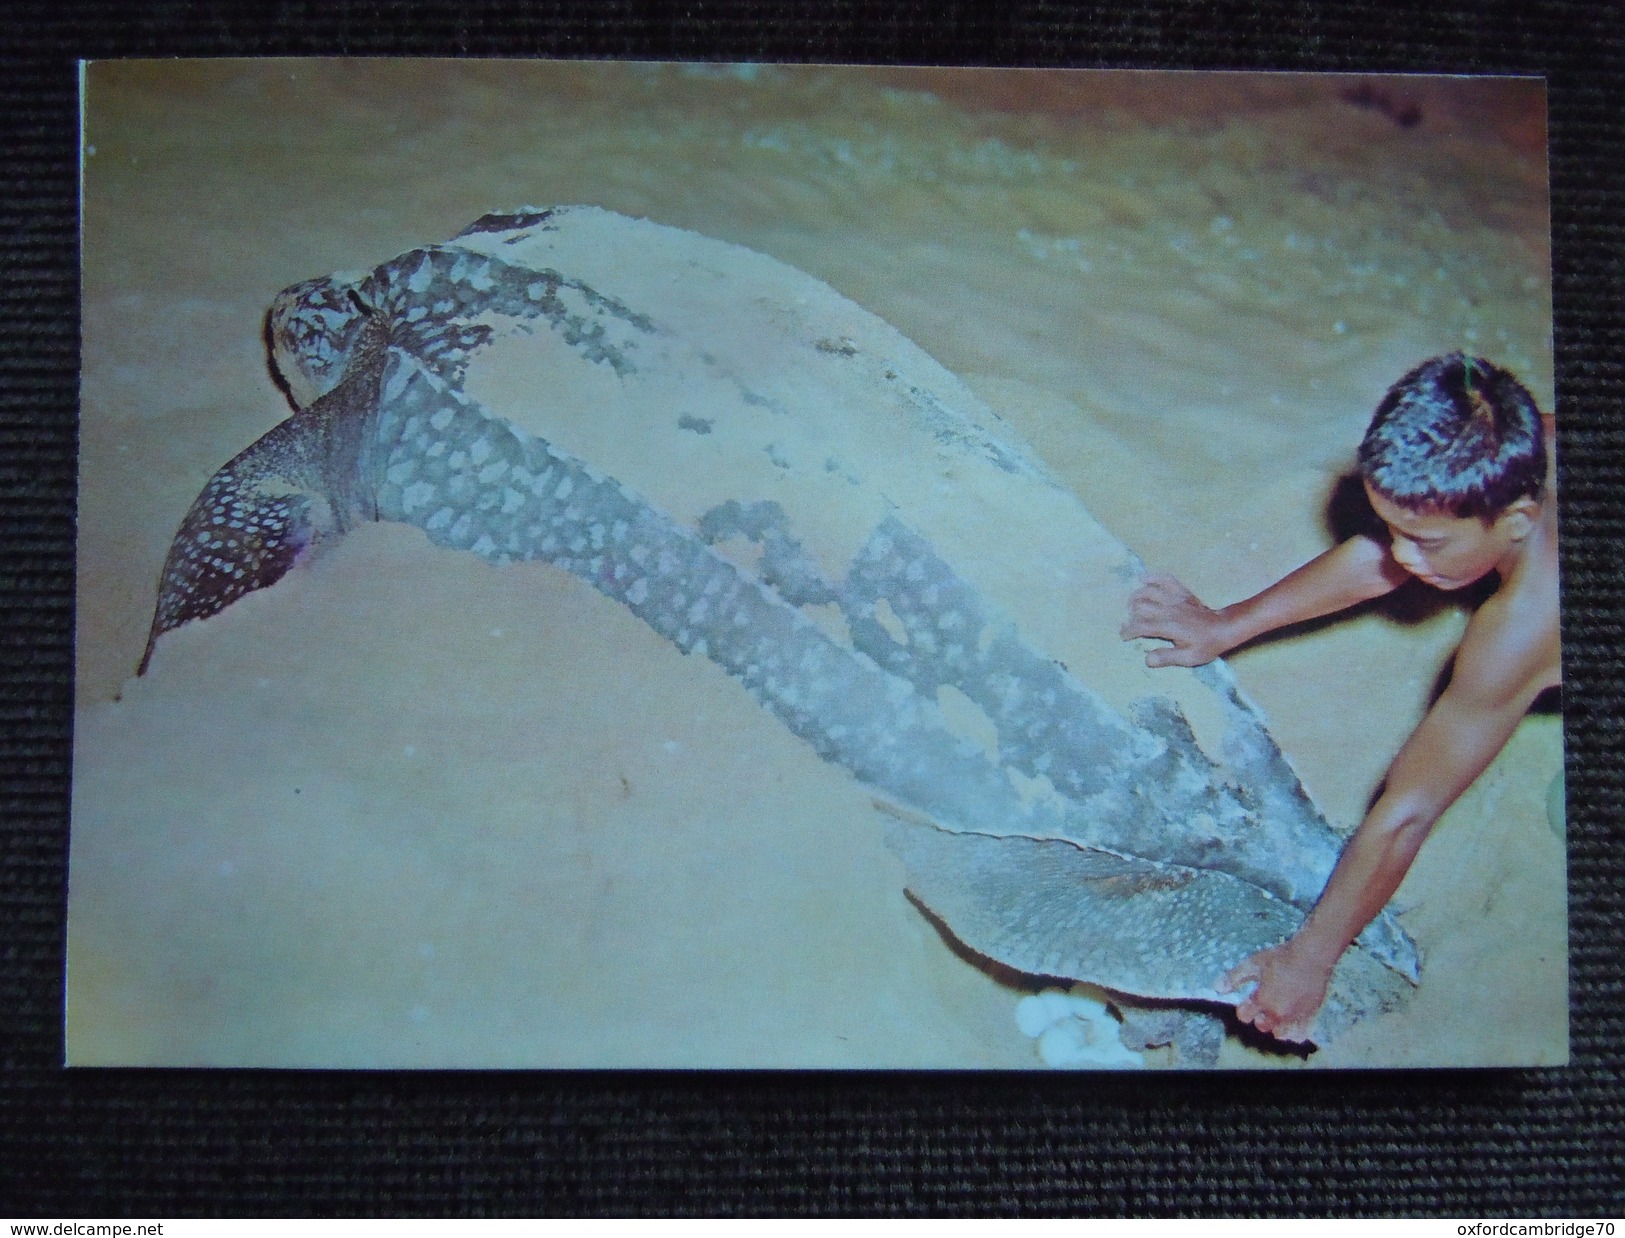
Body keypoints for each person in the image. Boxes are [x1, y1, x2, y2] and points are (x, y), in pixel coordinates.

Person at [1120, 353, 1560, 1041]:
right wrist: (1226, 624)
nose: (1400, 558)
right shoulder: (1525, 444)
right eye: (1392, 528)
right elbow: (1382, 561)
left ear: (1515, 521)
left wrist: (1307, 961)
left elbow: (1407, 813)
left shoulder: (1525, 625)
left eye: (1424, 541)